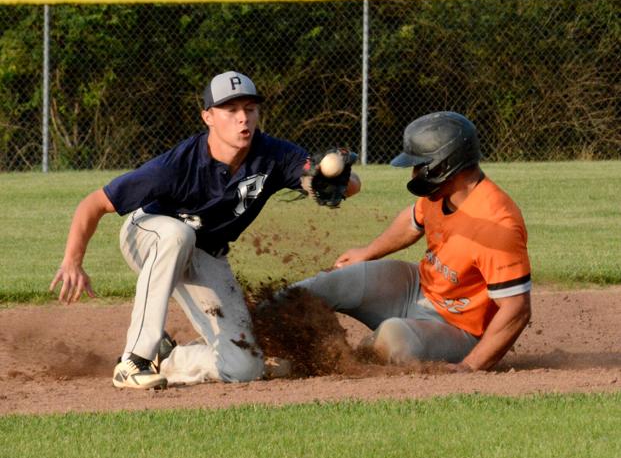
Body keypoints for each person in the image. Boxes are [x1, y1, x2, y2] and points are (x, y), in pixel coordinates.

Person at [50, 71, 361, 389]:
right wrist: (72, 261)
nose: (243, 119)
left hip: (205, 251)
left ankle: (169, 358)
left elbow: (342, 185)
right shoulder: (178, 165)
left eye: (249, 109)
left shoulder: (274, 155)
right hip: (148, 232)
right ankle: (134, 360)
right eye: (231, 110)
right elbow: (94, 203)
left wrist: (336, 177)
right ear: (208, 117)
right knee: (177, 235)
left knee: (244, 367)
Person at [292, 111, 531, 372]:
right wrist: (368, 252)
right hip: (416, 287)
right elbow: (412, 221)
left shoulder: (497, 224)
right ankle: (254, 328)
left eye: (420, 165)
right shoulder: (442, 192)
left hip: (458, 327)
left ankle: (329, 361)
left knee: (392, 338)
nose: (415, 173)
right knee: (328, 283)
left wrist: (470, 366)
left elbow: (516, 308)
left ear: (445, 165)